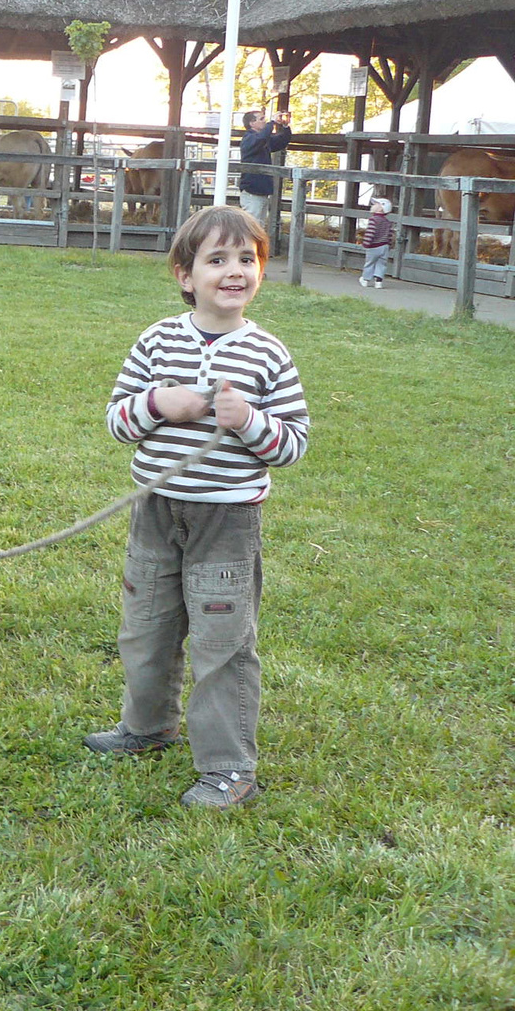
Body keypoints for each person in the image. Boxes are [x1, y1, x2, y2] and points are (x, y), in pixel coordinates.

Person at [85, 205, 310, 809]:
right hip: (156, 510)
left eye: (247, 259)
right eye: (217, 260)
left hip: (226, 521)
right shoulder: (157, 340)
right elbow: (116, 420)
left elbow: (293, 444)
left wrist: (252, 423)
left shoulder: (268, 354)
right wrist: (159, 403)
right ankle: (147, 726)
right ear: (186, 276)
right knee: (146, 627)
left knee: (222, 642)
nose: (234, 271)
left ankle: (229, 767)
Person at [237, 109, 293, 236]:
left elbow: (281, 141)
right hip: (252, 190)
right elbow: (261, 139)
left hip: (261, 190)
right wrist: (272, 122)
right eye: (261, 119)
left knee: (259, 227)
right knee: (251, 227)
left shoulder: (262, 140)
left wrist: (285, 126)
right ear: (252, 123)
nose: (265, 122)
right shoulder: (249, 139)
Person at [359, 197, 394, 288]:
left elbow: (370, 233)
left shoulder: (373, 220)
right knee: (381, 264)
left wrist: (366, 243)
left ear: (380, 208)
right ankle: (378, 282)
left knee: (369, 263)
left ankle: (365, 279)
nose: (372, 206)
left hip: (373, 246)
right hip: (384, 246)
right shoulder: (388, 222)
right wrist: (389, 244)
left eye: (375, 204)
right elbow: (390, 235)